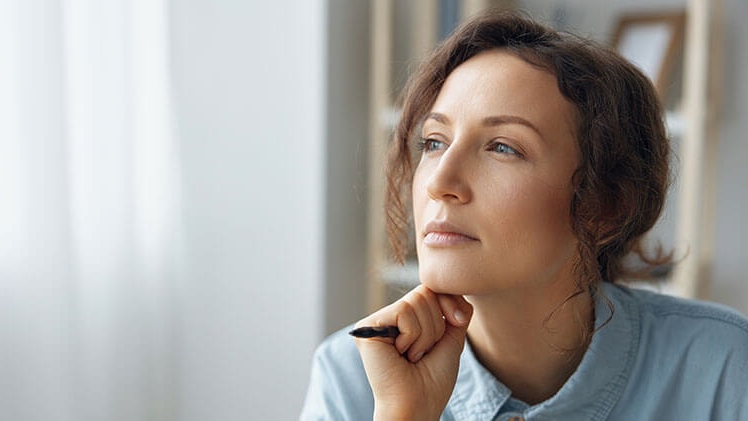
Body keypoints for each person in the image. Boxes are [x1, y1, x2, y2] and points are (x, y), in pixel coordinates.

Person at [301, 11, 748, 420]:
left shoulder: (723, 369)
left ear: (606, 204)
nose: (440, 182)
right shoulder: (353, 376)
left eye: (503, 148)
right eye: (434, 142)